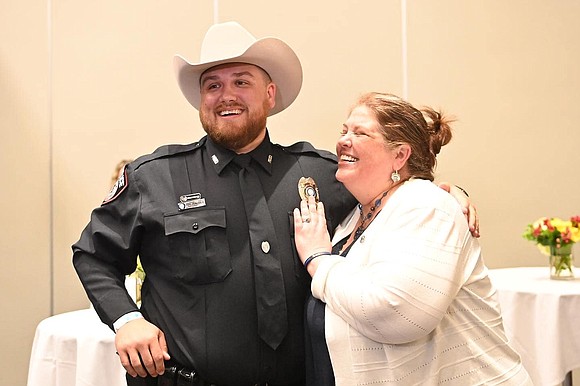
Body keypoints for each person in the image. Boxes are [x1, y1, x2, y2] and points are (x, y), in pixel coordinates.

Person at [72, 23, 477, 386]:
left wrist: (442, 191)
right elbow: (93, 255)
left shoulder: (320, 174)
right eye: (212, 85)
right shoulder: (155, 177)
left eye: (241, 82)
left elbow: (387, 188)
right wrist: (126, 320)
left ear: (269, 95)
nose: (225, 95)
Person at [293, 92, 531, 385]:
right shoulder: (356, 215)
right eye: (344, 130)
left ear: (400, 155)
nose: (343, 140)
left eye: (360, 133)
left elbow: (396, 314)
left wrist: (318, 260)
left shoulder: (428, 207)